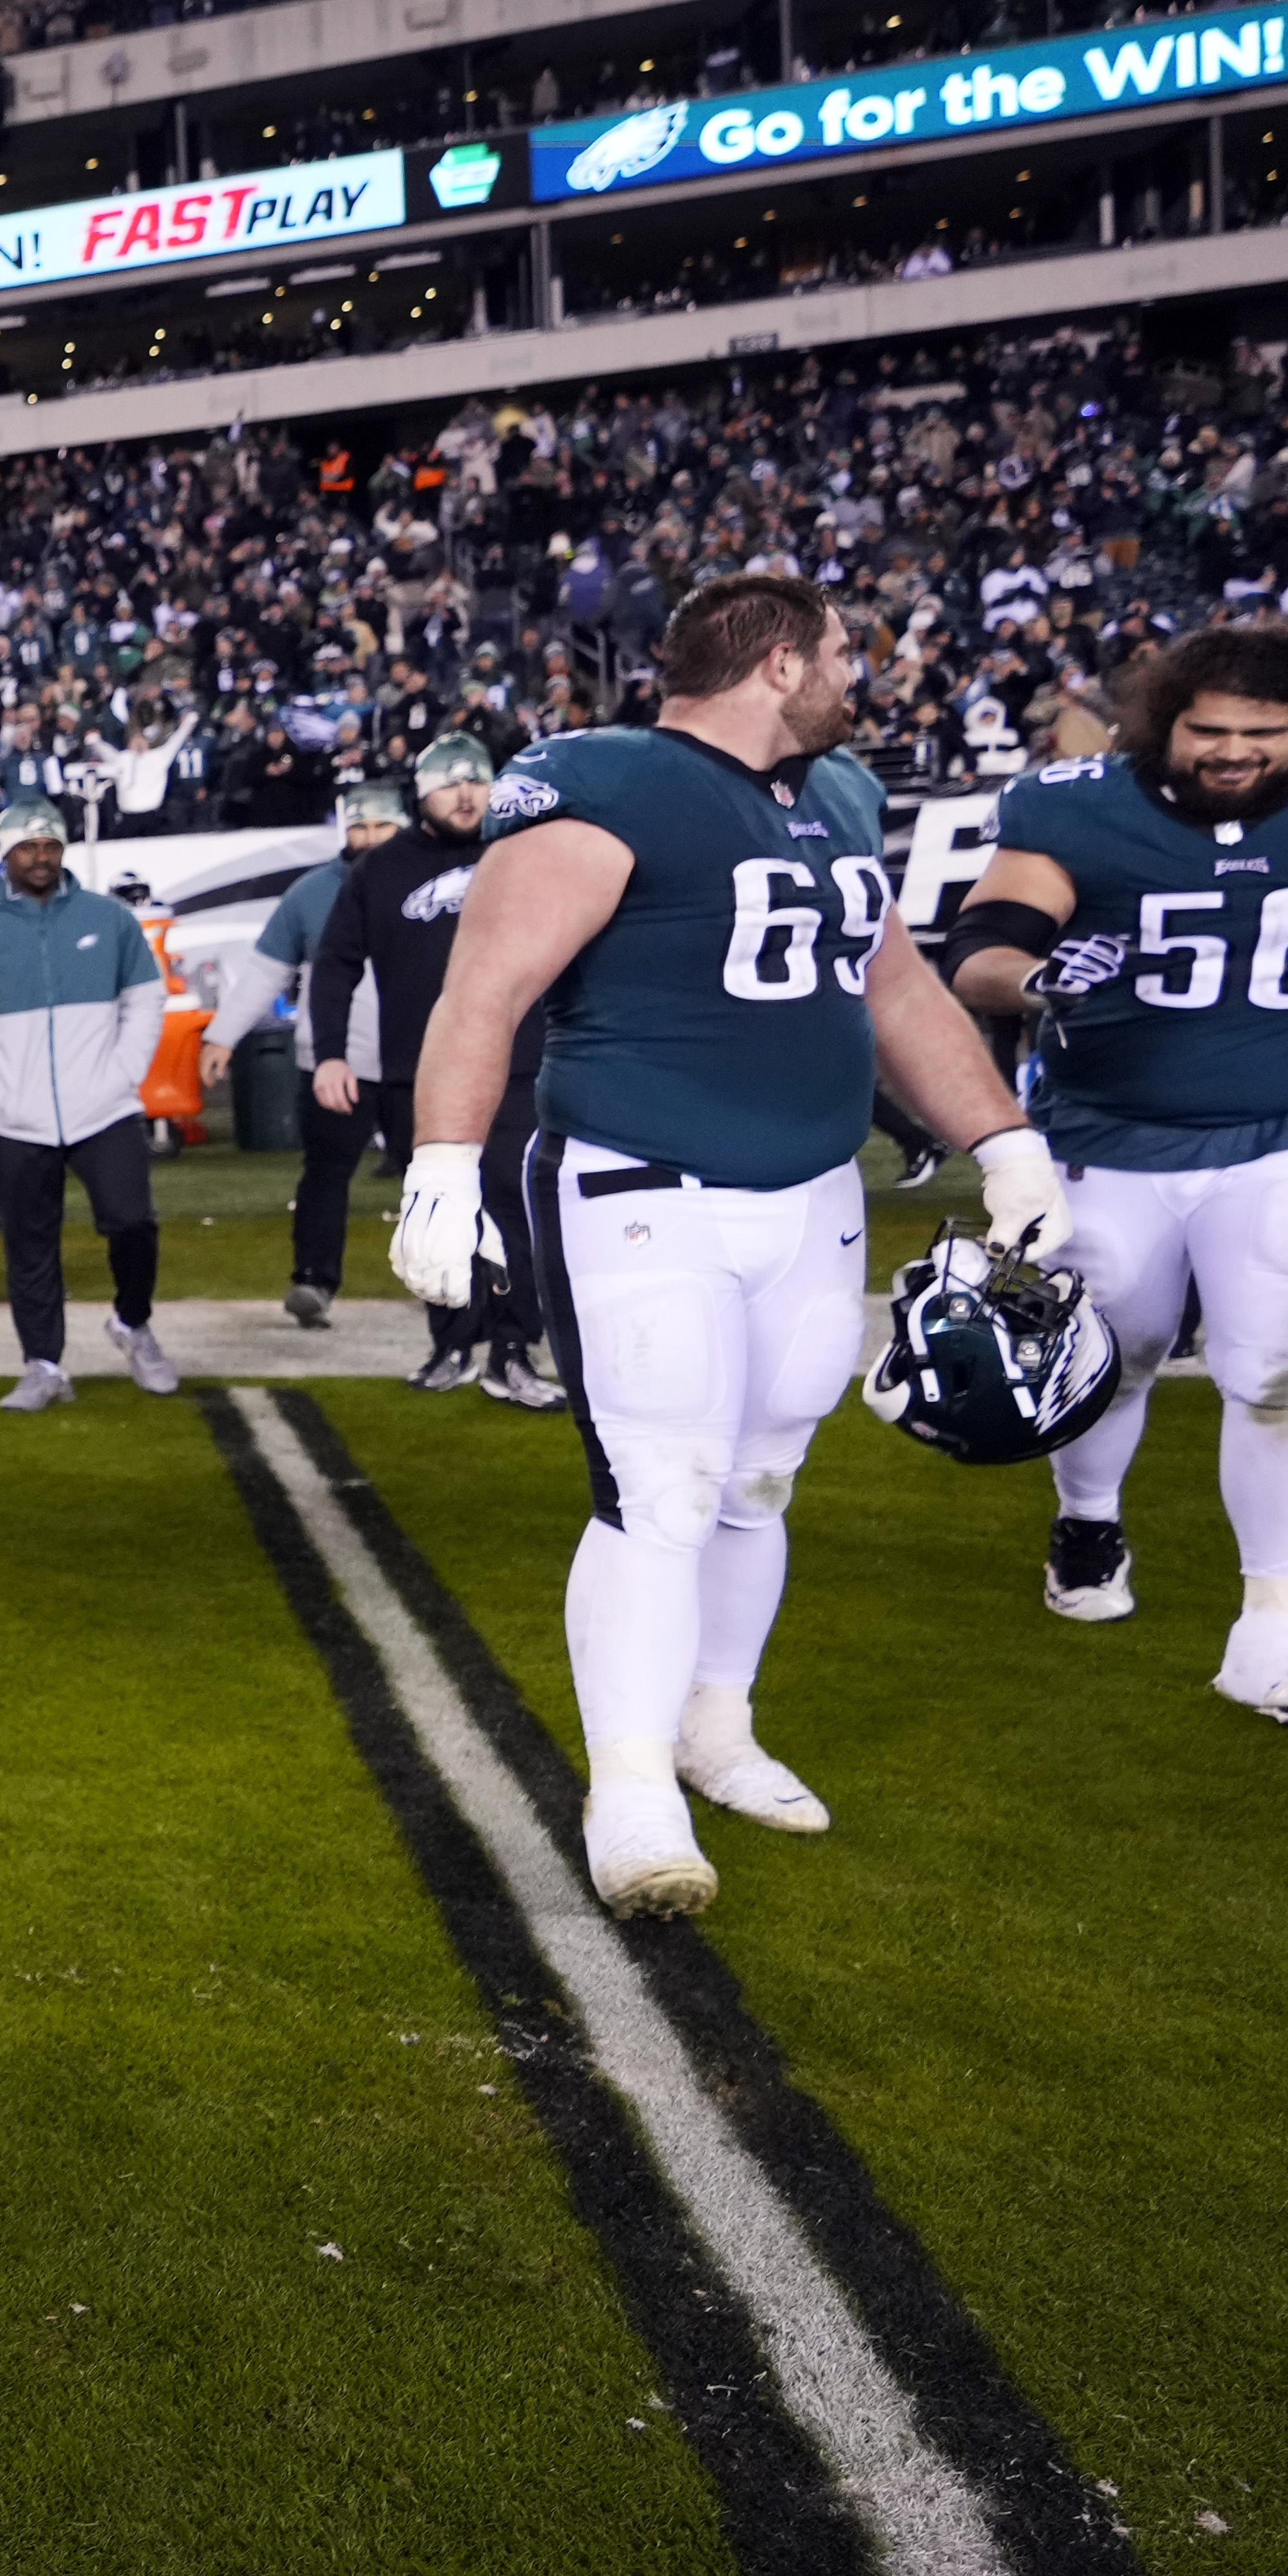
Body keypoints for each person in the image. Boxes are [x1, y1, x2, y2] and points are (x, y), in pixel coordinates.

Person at [396, 574, 1062, 1918]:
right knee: (660, 1479)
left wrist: (1003, 1140)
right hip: (641, 1177)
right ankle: (628, 1782)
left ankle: (714, 1723)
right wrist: (441, 1165)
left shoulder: (838, 797)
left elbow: (893, 987)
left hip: (811, 1191)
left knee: (758, 1475)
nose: (851, 678)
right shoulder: (601, 780)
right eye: (834, 656)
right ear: (772, 664)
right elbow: (489, 986)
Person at [944, 624, 1288, 1722]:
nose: (1236, 750)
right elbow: (984, 948)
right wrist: (1045, 974)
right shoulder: (1075, 803)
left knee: (1286, 1371)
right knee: (1119, 1353)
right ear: (1165, 723)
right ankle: (1090, 1518)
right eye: (1210, 729)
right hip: (1111, 1130)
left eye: (1266, 731)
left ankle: (1279, 1634)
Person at [305, 735, 563, 1408]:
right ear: (420, 794)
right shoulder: (377, 870)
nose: (466, 794)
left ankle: (512, 1350)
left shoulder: (522, 855)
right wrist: (331, 1051)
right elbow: (334, 962)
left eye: (477, 781)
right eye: (450, 784)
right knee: (434, 1207)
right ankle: (451, 1343)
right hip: (416, 1069)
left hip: (517, 1060)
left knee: (513, 1207)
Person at [0, 797, 174, 1409]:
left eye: (50, 845)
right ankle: (42, 1364)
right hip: (16, 1119)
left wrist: (124, 1073)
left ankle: (132, 1323)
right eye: (28, 847)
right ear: (6, 852)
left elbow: (146, 995)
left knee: (133, 1223)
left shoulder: (107, 918)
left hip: (106, 1108)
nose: (41, 857)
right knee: (30, 1244)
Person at [233, 782, 404, 1326]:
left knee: (445, 1174)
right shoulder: (311, 893)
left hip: (422, 1060)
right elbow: (267, 969)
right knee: (327, 1175)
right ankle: (314, 1279)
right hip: (338, 1062)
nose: (371, 838)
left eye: (382, 826)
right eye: (360, 827)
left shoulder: (440, 879)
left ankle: (465, 1280)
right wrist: (222, 1034)